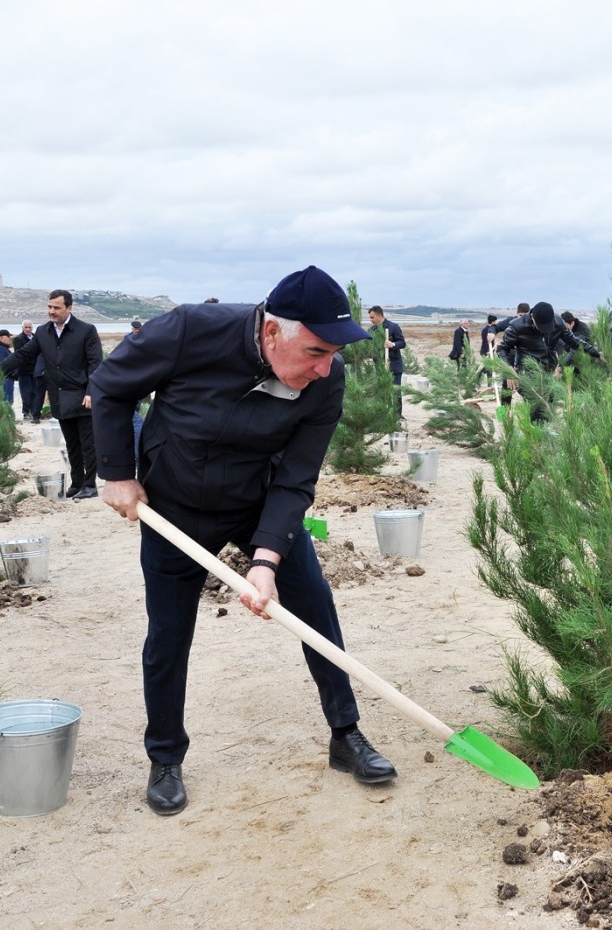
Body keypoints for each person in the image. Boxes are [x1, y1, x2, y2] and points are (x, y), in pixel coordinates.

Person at [89, 267, 395, 817]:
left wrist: (266, 558)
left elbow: (298, 476)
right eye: (316, 351)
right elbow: (112, 385)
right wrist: (117, 472)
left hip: (259, 501)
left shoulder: (328, 378)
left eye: (334, 354)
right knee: (168, 634)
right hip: (174, 507)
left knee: (315, 606)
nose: (325, 367)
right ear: (274, 333)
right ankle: (165, 759)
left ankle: (345, 736)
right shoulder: (189, 331)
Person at [0, 290, 103, 499]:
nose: (52, 311)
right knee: (71, 444)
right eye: (49, 307)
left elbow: (96, 364)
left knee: (87, 444)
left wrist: (91, 392)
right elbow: (23, 354)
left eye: (56, 308)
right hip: (59, 398)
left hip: (83, 396)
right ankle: (77, 483)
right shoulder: (42, 332)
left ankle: (90, 485)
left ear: (69, 308)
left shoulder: (87, 330)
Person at [495, 301, 599, 420]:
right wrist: (508, 369)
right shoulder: (517, 326)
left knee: (548, 409)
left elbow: (574, 342)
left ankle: (539, 433)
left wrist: (597, 354)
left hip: (548, 374)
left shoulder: (557, 322)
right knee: (538, 409)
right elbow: (502, 348)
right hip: (527, 374)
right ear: (533, 317)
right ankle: (510, 420)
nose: (545, 331)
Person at [367, 306, 407, 415]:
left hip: (394, 366)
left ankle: (398, 416)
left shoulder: (393, 327)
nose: (371, 320)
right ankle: (385, 416)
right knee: (383, 391)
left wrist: (392, 344)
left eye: (372, 317)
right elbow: (368, 345)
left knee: (395, 392)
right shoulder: (372, 330)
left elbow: (402, 343)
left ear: (380, 315)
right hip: (380, 366)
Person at [11, 319, 44, 422]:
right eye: (26, 327)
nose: (28, 329)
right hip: (24, 370)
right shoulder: (18, 339)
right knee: (26, 393)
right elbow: (19, 354)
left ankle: (34, 412)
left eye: (30, 327)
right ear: (22, 328)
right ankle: (26, 412)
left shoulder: (36, 338)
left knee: (35, 392)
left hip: (35, 370)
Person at [0, 330, 16, 405]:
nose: (9, 338)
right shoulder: (0, 348)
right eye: (8, 337)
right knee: (6, 402)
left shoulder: (2, 348)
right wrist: (12, 372)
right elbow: (1, 364)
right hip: (5, 378)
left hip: (6, 378)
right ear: (2, 337)